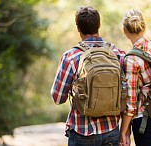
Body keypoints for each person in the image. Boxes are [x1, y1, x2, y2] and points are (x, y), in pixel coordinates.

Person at [50, 6, 125, 146]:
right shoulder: (118, 54)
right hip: (111, 130)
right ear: (99, 25)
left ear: (78, 28)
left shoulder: (70, 57)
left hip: (82, 132)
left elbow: (58, 98)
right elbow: (126, 93)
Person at [119, 9, 151, 146]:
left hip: (144, 120)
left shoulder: (131, 59)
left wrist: (123, 131)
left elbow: (131, 101)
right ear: (144, 27)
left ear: (124, 31)